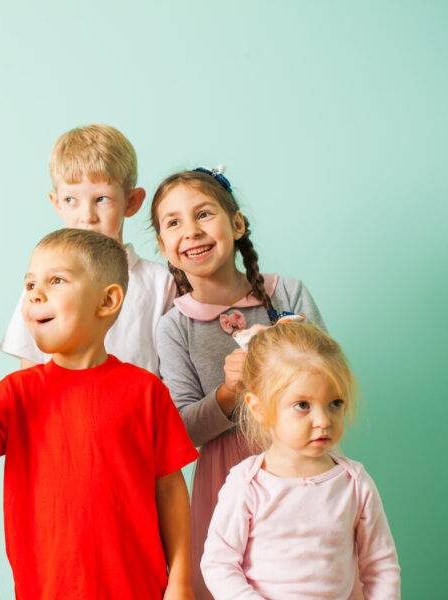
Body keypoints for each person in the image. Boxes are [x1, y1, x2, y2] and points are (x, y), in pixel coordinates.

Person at [0, 229, 198, 599]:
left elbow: (170, 490)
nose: (35, 293)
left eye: (56, 280)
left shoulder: (146, 392)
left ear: (107, 301)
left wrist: (180, 580)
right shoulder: (18, 392)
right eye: (30, 283)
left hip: (140, 589)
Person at [151, 166, 326, 599]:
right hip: (226, 479)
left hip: (303, 463)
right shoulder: (174, 327)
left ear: (237, 224)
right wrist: (229, 394)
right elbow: (184, 430)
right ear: (164, 246)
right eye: (174, 223)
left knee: (311, 574)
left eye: (204, 214)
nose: (191, 231)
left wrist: (294, 354)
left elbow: (331, 385)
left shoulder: (288, 294)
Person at [201, 322, 401, 599]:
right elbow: (218, 564)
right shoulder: (248, 484)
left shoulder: (354, 483)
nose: (323, 421)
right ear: (258, 408)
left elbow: (381, 566)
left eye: (335, 403)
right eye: (302, 406)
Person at [0, 123, 175, 374]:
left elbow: (173, 373)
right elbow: (28, 372)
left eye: (101, 199)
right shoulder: (41, 282)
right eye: (71, 200)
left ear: (132, 201)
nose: (87, 216)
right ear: (56, 203)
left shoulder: (160, 283)